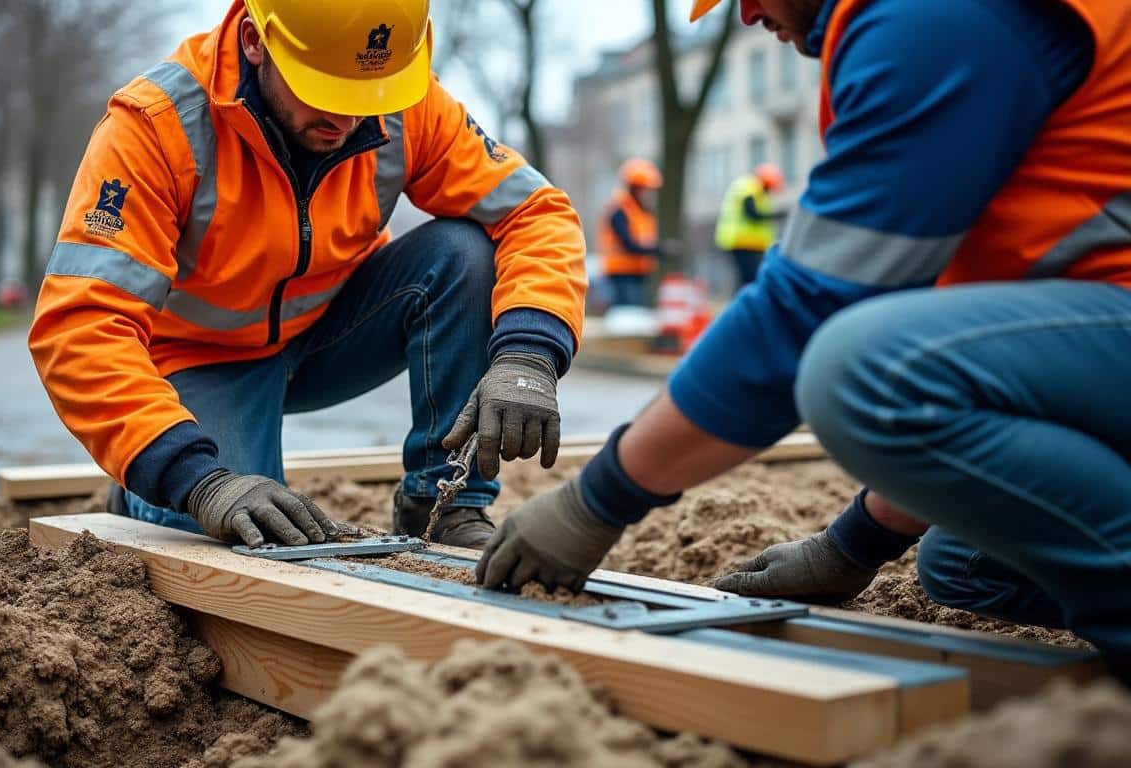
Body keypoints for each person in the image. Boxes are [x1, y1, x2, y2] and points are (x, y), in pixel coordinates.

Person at [476, 0, 1131, 683]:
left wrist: (598, 501)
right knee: (962, 564)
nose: (750, 14)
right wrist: (850, 547)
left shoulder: (936, 18)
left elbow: (811, 312)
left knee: (858, 368)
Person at [29, 0, 586, 550]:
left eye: (365, 96)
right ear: (254, 41)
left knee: (464, 252)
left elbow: (535, 211)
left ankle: (443, 504)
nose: (345, 119)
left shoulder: (401, 103)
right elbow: (79, 326)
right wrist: (194, 479)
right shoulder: (158, 126)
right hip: (200, 359)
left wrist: (528, 353)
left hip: (331, 332)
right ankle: (141, 487)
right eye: (323, 91)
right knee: (226, 536)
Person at [597, 159, 662, 307]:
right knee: (627, 316)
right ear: (634, 188)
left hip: (637, 273)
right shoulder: (620, 210)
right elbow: (629, 244)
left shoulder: (640, 211)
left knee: (634, 315)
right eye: (645, 189)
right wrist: (658, 249)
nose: (649, 194)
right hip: (621, 274)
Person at [714, 163, 784, 289]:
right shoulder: (748, 187)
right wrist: (776, 215)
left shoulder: (760, 194)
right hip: (740, 241)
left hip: (753, 244)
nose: (769, 191)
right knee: (748, 278)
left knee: (752, 278)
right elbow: (752, 214)